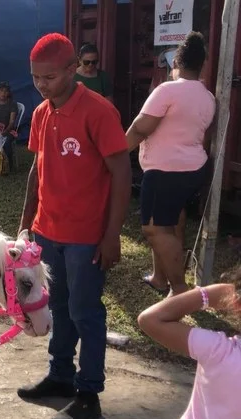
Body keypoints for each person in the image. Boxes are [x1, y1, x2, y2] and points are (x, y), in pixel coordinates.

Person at [17, 33, 131, 419]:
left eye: (48, 77)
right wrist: (26, 224)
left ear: (72, 69)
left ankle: (88, 394)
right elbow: (36, 169)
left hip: (86, 237)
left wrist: (112, 234)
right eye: (34, 77)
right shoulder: (41, 112)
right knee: (59, 308)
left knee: (86, 313)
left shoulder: (98, 111)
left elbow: (121, 172)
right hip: (47, 231)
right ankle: (60, 376)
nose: (41, 85)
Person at [126, 32, 215, 297]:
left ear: (175, 62)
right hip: (193, 169)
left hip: (165, 171)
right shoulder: (207, 97)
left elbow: (141, 127)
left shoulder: (168, 90)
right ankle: (159, 278)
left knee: (154, 228)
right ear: (202, 64)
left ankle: (179, 290)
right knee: (171, 220)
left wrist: (115, 153)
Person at [137, 269, 241, 419]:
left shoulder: (218, 351)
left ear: (235, 304)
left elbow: (150, 319)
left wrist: (206, 295)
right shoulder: (218, 351)